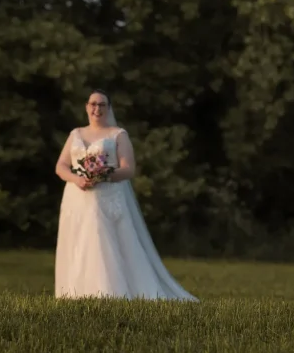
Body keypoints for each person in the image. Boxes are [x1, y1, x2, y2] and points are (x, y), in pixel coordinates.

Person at [53, 89, 197, 301]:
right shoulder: (75, 134)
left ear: (108, 108)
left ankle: (107, 292)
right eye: (93, 104)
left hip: (106, 196)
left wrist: (104, 175)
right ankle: (76, 293)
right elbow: (61, 166)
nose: (97, 109)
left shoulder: (118, 135)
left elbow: (128, 169)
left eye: (102, 104)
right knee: (78, 241)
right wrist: (77, 179)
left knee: (102, 240)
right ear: (86, 107)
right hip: (77, 196)